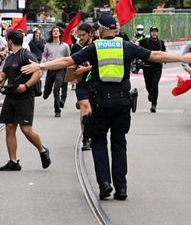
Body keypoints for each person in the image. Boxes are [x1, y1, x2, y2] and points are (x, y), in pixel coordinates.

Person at [21, 15, 185, 201]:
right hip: (123, 103)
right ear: (114, 29)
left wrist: (41, 65)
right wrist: (183, 57)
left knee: (99, 141)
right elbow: (155, 55)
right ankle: (121, 188)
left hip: (101, 103)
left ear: (101, 29)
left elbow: (67, 62)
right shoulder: (126, 45)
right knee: (119, 142)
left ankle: (105, 184)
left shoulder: (95, 47)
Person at [0, 30, 51, 171]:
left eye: (7, 40)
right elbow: (3, 75)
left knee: (26, 129)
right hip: (11, 96)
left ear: (10, 41)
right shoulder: (10, 58)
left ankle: (42, 150)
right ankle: (13, 161)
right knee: (9, 127)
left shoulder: (26, 55)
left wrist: (26, 85)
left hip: (25, 96)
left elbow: (38, 72)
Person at [71, 23, 93, 151]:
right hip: (81, 83)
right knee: (84, 108)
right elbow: (71, 63)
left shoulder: (97, 45)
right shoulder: (75, 47)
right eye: (79, 36)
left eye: (83, 35)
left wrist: (86, 68)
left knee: (93, 112)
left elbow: (101, 65)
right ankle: (86, 138)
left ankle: (95, 134)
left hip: (96, 83)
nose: (81, 38)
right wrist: (72, 74)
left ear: (90, 34)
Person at [41, 26, 70, 117]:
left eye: (57, 31)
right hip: (50, 69)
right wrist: (43, 62)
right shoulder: (47, 45)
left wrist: (69, 72)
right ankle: (47, 92)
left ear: (60, 33)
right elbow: (44, 56)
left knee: (56, 89)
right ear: (52, 33)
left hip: (61, 70)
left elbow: (68, 58)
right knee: (46, 94)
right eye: (54, 31)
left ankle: (57, 110)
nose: (56, 32)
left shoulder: (65, 46)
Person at [139, 26, 166, 113]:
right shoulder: (145, 41)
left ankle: (154, 104)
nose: (154, 33)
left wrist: (166, 59)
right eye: (152, 31)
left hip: (157, 67)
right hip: (147, 67)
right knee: (148, 86)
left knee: (155, 85)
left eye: (155, 32)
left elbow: (165, 52)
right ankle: (151, 94)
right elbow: (137, 44)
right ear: (150, 33)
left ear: (157, 33)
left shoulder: (161, 42)